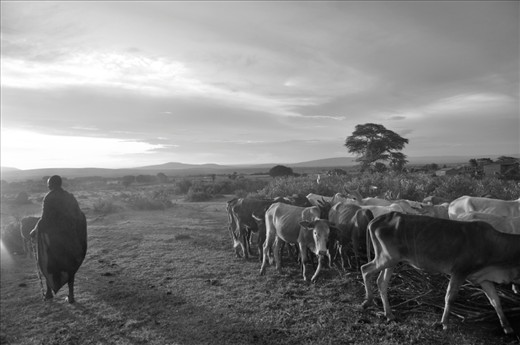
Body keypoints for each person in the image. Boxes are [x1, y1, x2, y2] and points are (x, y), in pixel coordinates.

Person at [31, 175, 87, 303]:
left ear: (53, 184)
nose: (48, 185)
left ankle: (49, 293)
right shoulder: (70, 197)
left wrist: (34, 230)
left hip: (54, 239)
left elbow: (44, 219)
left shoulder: (49, 197)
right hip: (69, 238)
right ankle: (71, 296)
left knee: (49, 263)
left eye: (49, 183)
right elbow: (79, 215)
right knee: (69, 265)